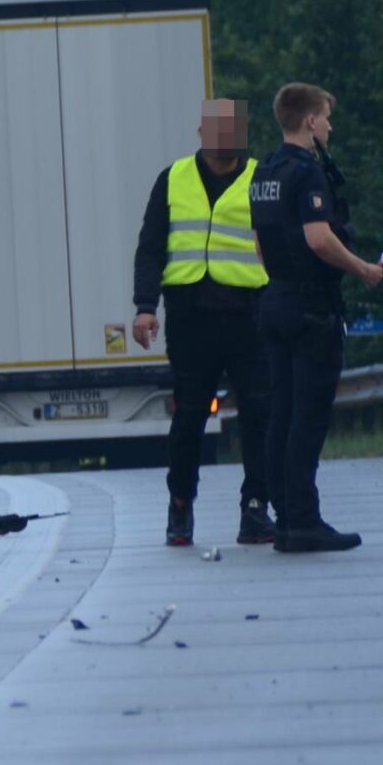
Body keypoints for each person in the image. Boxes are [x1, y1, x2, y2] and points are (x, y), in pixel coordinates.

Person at [131, 98, 274, 547]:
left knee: (258, 412)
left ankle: (255, 509)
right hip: (191, 318)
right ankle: (180, 508)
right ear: (201, 133)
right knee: (190, 416)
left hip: (248, 317)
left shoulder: (259, 179)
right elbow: (151, 247)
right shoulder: (173, 179)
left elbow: (280, 241)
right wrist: (145, 306)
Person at [249, 82, 383, 553]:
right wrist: (364, 268)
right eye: (326, 117)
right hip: (310, 309)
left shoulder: (263, 171)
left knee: (282, 414)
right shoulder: (307, 172)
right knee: (307, 417)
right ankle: (304, 520)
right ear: (310, 121)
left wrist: (282, 281)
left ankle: (286, 517)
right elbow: (319, 239)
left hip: (275, 302)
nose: (330, 125)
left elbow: (260, 241)